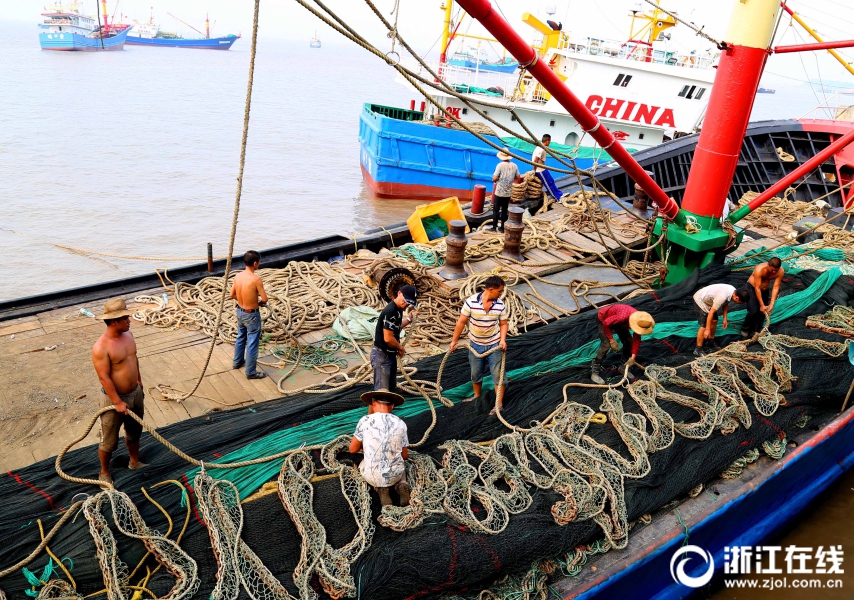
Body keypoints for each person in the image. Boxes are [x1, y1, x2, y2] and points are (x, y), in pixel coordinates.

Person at [92, 298, 146, 485]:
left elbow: (134, 359)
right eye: (125, 318)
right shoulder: (101, 347)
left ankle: (134, 462)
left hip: (135, 393)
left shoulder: (128, 335)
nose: (129, 320)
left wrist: (139, 382)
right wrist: (117, 401)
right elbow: (104, 378)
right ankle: (104, 473)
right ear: (113, 321)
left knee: (134, 432)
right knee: (109, 441)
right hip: (113, 400)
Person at [449, 275, 509, 415]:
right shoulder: (471, 302)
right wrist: (454, 341)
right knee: (476, 373)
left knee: (498, 375)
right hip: (476, 344)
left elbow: (503, 324)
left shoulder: (500, 305)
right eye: (499, 291)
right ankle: (477, 395)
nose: (501, 293)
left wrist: (502, 340)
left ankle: (498, 404)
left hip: (494, 344)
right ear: (491, 289)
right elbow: (461, 322)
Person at [349, 389, 411, 507]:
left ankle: (381, 489)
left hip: (372, 476)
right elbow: (404, 455)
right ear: (392, 406)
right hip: (395, 476)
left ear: (373, 404)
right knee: (401, 463)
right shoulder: (401, 423)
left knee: (364, 463)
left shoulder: (364, 421)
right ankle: (402, 483)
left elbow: (352, 450)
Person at [371, 285, 418, 400]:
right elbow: (388, 338)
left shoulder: (398, 309)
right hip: (382, 357)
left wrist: (408, 320)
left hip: (390, 355)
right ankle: (373, 417)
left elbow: (395, 328)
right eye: (405, 300)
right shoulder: (391, 311)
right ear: (399, 293)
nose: (406, 304)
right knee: (381, 395)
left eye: (408, 303)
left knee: (390, 392)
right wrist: (400, 348)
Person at [590, 304, 655, 384]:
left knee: (629, 341)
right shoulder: (623, 316)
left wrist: (633, 358)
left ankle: (623, 367)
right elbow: (606, 324)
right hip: (603, 319)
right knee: (606, 345)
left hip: (618, 322)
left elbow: (636, 340)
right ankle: (595, 371)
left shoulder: (640, 321)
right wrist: (611, 340)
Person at [231, 250, 269, 379]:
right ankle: (250, 372)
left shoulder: (237, 276)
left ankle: (237, 362)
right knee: (252, 342)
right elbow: (264, 299)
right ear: (255, 263)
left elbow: (232, 294)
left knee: (241, 336)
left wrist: (243, 301)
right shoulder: (256, 279)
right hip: (251, 315)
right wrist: (257, 302)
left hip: (240, 311)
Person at [693, 284, 749, 357]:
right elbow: (711, 313)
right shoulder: (722, 297)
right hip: (700, 300)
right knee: (704, 326)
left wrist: (725, 318)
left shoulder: (733, 291)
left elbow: (725, 304)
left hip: (709, 301)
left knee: (715, 320)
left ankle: (710, 341)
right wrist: (708, 329)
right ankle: (698, 349)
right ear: (737, 298)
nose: (740, 304)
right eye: (741, 303)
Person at [741, 257, 785, 338]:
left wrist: (772, 303)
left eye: (776, 270)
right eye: (772, 270)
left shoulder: (780, 271)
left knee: (763, 312)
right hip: (752, 288)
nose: (774, 272)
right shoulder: (759, 269)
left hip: (765, 289)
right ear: (768, 265)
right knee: (753, 311)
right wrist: (761, 305)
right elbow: (757, 288)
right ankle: (745, 328)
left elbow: (776, 287)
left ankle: (756, 330)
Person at [492, 147, 519, 232]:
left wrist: (497, 179)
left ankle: (494, 227)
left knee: (496, 209)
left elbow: (495, 178)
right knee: (504, 209)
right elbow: (518, 177)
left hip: (499, 191)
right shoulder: (514, 166)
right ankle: (503, 228)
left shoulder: (500, 165)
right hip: (508, 192)